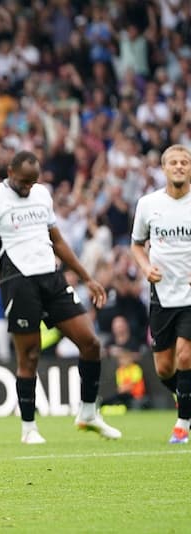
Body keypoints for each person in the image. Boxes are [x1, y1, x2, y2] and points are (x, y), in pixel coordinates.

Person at [0, 150, 121, 444]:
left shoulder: (41, 194)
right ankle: (28, 428)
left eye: (32, 182)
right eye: (23, 182)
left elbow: (57, 240)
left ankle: (87, 413)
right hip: (18, 281)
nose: (27, 188)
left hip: (51, 276)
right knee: (30, 356)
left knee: (90, 342)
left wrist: (87, 277)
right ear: (9, 171)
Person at [131, 144, 191, 443]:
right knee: (164, 367)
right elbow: (137, 245)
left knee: (185, 354)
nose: (179, 166)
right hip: (162, 295)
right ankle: (186, 398)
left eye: (184, 162)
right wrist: (145, 267)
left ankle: (182, 423)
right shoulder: (148, 204)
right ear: (164, 169)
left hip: (190, 296)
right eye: (173, 162)